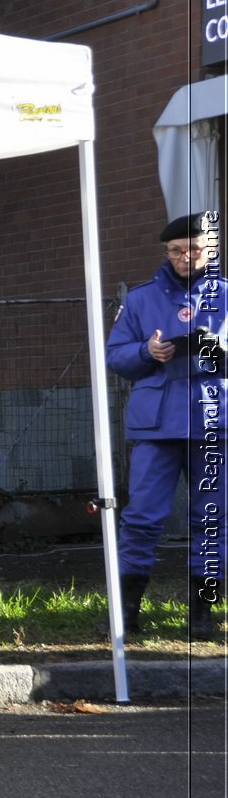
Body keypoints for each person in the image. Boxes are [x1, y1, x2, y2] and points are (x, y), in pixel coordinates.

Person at [106, 210, 225, 640]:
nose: (183, 257)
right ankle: (127, 615)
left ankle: (202, 615)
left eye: (193, 249)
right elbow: (115, 356)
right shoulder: (140, 299)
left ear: (210, 250)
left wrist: (217, 351)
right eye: (175, 250)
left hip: (214, 425)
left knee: (212, 520)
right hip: (156, 428)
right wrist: (146, 352)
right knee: (140, 519)